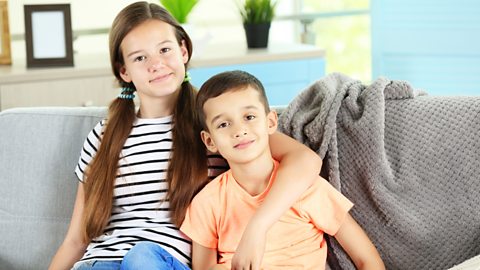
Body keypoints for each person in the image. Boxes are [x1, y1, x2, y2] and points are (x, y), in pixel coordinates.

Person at [48, 2, 322, 270]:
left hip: (161, 260)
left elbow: (305, 161)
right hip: (99, 261)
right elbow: (76, 239)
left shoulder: (217, 125)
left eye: (165, 50)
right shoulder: (103, 136)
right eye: (140, 58)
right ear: (124, 71)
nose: (156, 64)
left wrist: (257, 228)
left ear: (183, 51)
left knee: (141, 257)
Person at [181, 70, 386, 270]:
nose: (239, 130)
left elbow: (366, 259)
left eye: (249, 117)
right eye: (224, 124)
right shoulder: (206, 203)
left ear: (270, 122)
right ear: (209, 141)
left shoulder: (308, 189)